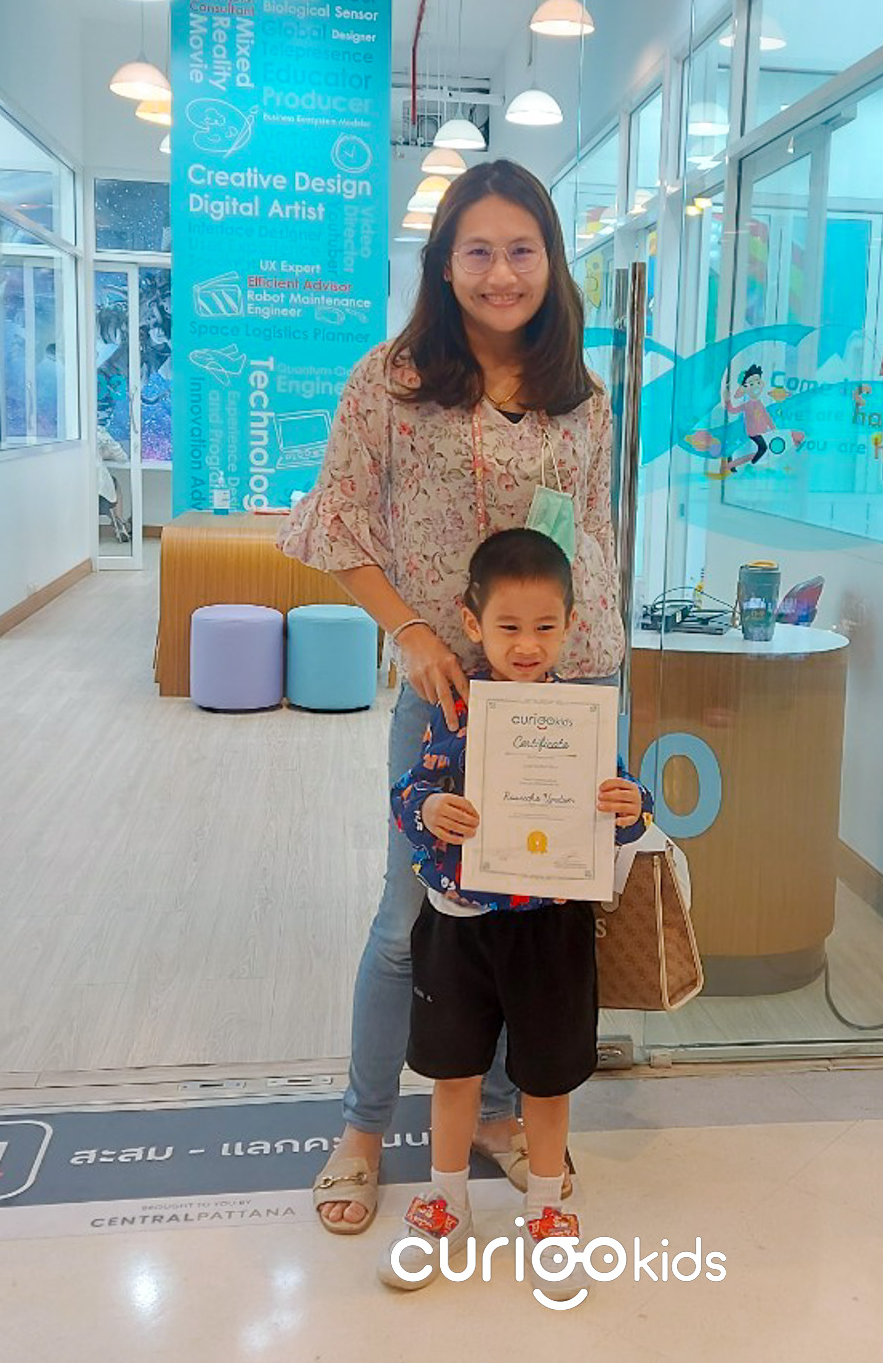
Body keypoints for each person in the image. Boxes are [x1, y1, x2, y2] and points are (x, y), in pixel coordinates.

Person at [278, 160, 625, 1234]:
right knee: (411, 919)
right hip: (446, 691)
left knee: (536, 920)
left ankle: (506, 1116)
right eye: (477, 250)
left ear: (552, 261)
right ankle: (362, 1129)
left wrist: (597, 691)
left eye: (523, 250)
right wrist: (412, 630)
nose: (501, 273)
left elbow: (592, 545)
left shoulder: (581, 396)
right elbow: (335, 522)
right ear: (442, 263)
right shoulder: (389, 382)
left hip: (564, 687)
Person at [379, 528, 650, 1295]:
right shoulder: (454, 708)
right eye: (508, 626)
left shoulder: (584, 717)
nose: (527, 645)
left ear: (570, 625)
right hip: (461, 922)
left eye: (544, 626)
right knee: (454, 1070)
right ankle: (446, 1200)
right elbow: (410, 793)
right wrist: (431, 810)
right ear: (473, 623)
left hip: (551, 925)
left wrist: (629, 806)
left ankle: (546, 1207)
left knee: (548, 1076)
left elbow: (620, 813)